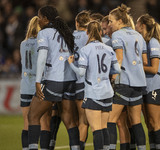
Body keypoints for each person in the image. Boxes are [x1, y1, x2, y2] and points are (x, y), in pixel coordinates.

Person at [28, 6, 80, 150]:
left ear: (45, 18)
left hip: (54, 79)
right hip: (70, 80)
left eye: (39, 16)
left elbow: (42, 57)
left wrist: (38, 81)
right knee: (69, 121)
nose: (38, 20)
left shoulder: (44, 33)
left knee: (33, 116)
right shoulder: (65, 32)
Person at [68, 20, 121, 150]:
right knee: (104, 127)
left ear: (87, 32)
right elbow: (118, 70)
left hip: (93, 92)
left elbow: (81, 72)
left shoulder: (85, 50)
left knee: (96, 129)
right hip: (107, 91)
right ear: (99, 32)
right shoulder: (109, 49)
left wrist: (71, 63)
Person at [107, 4, 147, 150]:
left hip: (123, 82)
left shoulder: (117, 35)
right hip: (139, 83)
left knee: (110, 120)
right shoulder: (138, 35)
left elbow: (119, 59)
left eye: (111, 21)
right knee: (136, 122)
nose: (110, 24)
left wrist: (113, 79)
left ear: (119, 21)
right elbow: (144, 61)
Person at [136, 14, 160, 150]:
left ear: (142, 26)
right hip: (146, 86)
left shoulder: (153, 42)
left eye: (137, 24)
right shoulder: (145, 43)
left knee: (154, 122)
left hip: (155, 85)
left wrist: (136, 66)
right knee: (149, 123)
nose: (135, 27)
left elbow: (154, 69)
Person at [20, 16, 51, 150]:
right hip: (39, 86)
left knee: (27, 122)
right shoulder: (42, 42)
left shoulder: (23, 43)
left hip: (25, 86)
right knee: (44, 123)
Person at [73, 10, 90, 150]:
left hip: (68, 81)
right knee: (84, 122)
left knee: (70, 120)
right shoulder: (90, 36)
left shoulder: (68, 36)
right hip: (84, 81)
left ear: (77, 23)